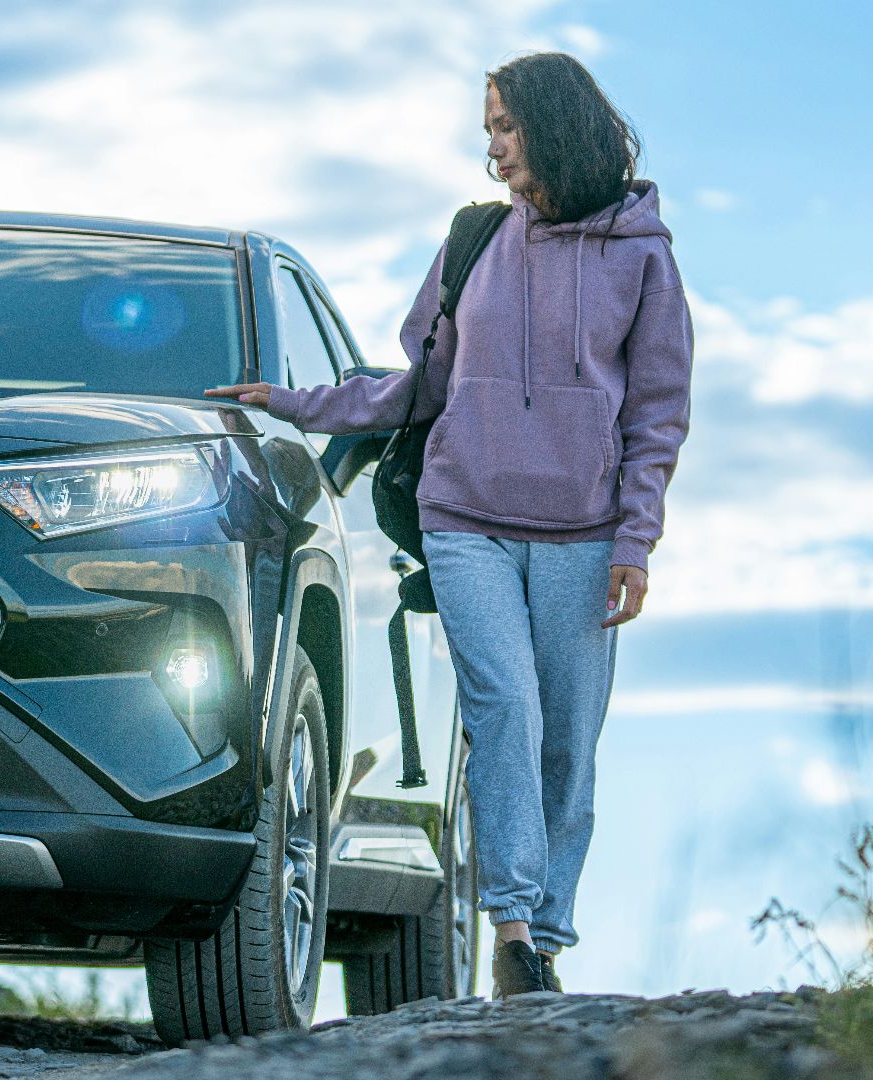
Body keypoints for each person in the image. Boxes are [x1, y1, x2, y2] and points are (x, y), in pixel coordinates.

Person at [206, 51, 694, 999]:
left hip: (584, 531)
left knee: (567, 739)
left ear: (555, 127)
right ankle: (514, 929)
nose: (494, 150)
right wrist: (301, 404)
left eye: (506, 128)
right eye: (489, 132)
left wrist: (636, 541)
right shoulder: (473, 241)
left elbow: (658, 413)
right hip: (464, 515)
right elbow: (420, 385)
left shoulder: (644, 255)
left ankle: (546, 930)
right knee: (502, 709)